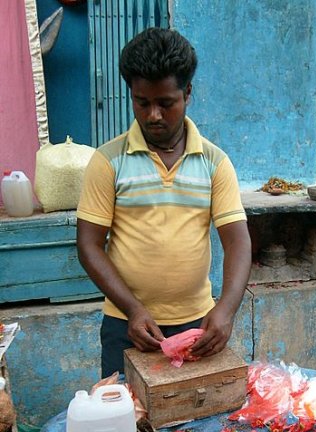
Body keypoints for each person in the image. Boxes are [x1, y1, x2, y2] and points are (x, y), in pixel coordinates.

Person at [76, 28, 252, 377]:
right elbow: (89, 245)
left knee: (196, 425)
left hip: (198, 327)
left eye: (165, 103)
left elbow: (237, 240)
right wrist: (132, 309)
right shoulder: (108, 161)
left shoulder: (215, 163)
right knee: (129, 422)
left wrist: (226, 310)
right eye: (142, 102)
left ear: (187, 93)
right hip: (127, 326)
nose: (153, 115)